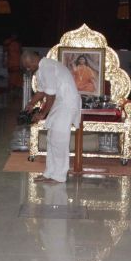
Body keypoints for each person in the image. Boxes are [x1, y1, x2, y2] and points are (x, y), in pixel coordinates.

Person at [22, 50, 81, 184]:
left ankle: (59, 176)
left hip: (66, 103)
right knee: (51, 139)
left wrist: (42, 114)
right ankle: (49, 173)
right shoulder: (41, 69)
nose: (27, 69)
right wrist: (31, 104)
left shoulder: (47, 67)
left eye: (28, 66)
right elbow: (41, 92)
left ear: (34, 60)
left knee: (59, 140)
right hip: (60, 103)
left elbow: (51, 96)